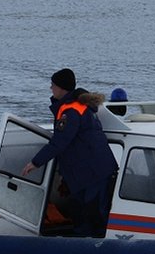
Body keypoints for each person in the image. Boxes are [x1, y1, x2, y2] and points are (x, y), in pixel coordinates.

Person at [22, 68, 118, 238]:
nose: (51, 89)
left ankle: (89, 247)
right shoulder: (80, 106)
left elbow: (60, 142)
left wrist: (35, 163)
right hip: (94, 170)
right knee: (89, 211)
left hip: (91, 173)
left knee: (89, 213)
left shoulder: (70, 111)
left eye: (53, 85)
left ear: (62, 88)